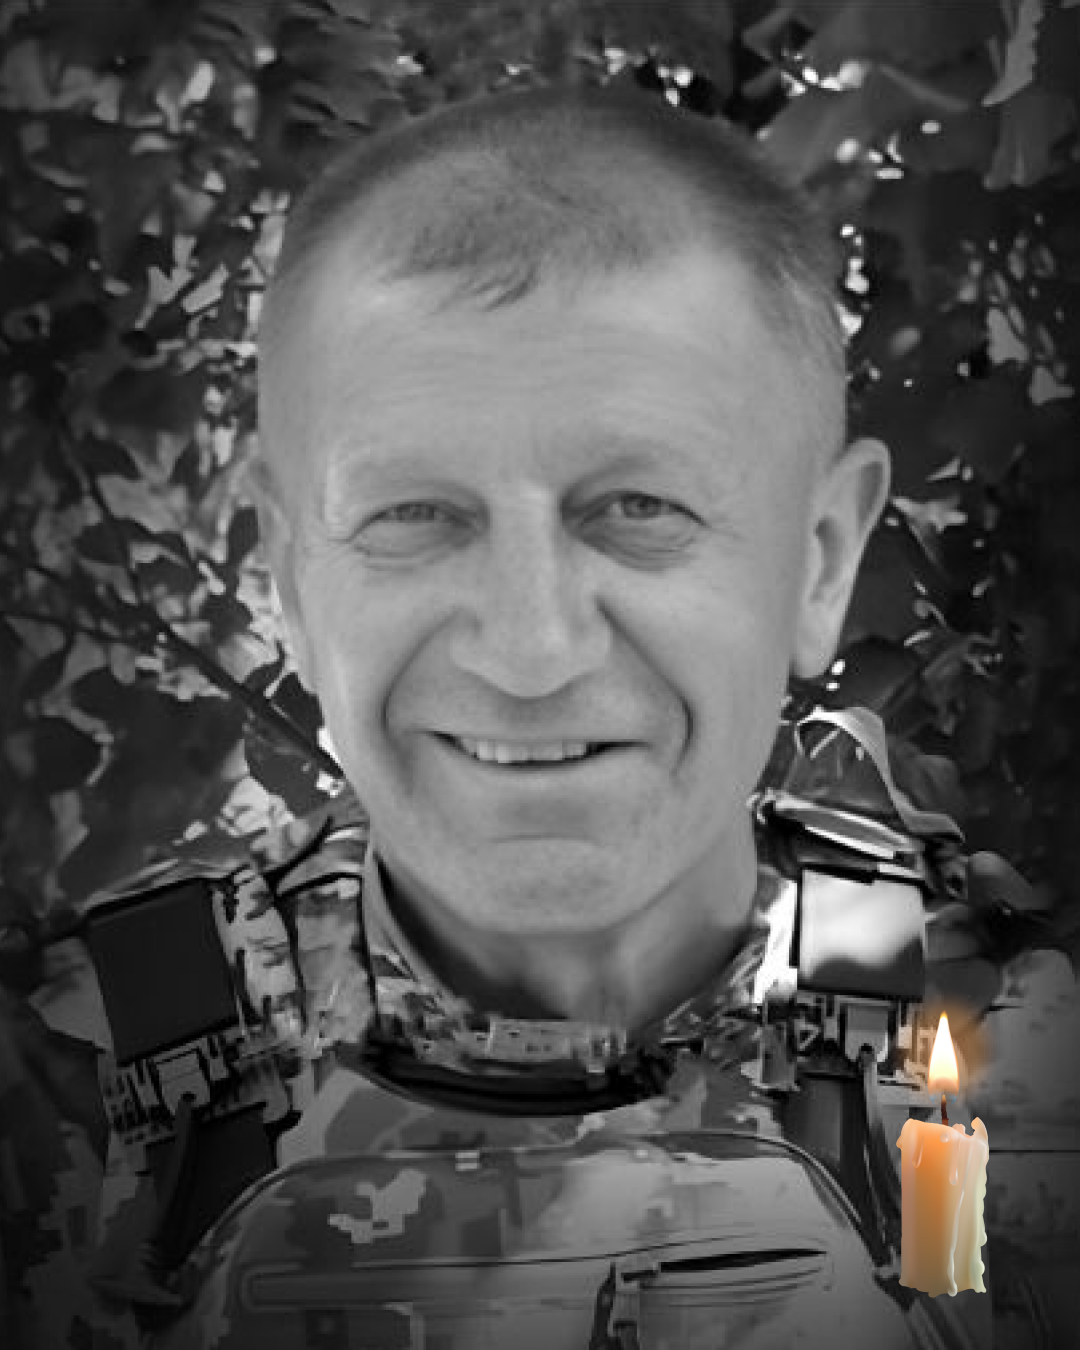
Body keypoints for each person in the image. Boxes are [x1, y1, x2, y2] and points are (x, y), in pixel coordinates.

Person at [2, 82, 1060, 1350]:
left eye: (640, 508)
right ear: (289, 579)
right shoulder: (62, 1088)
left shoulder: (1015, 1045)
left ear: (820, 561)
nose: (530, 650)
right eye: (413, 515)